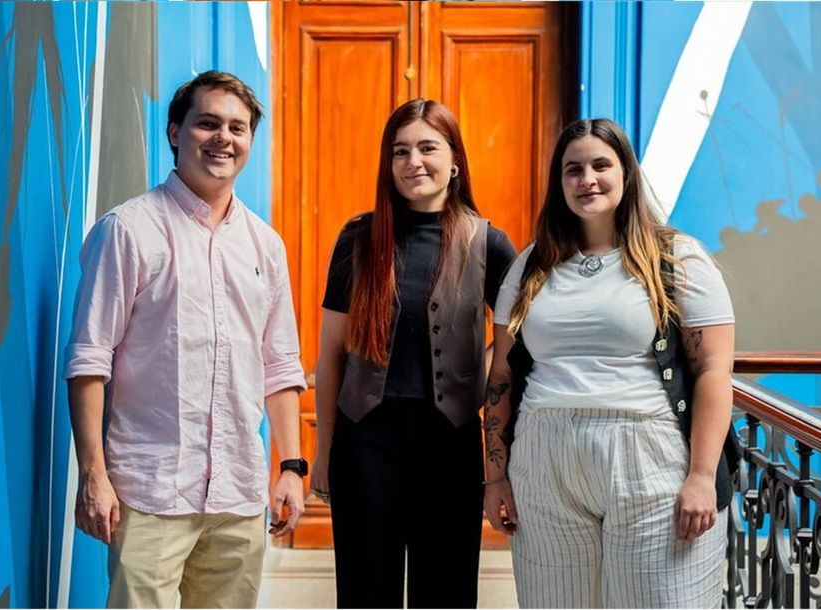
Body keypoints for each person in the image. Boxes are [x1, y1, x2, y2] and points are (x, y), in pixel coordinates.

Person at [64, 71, 308, 609]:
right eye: (208, 123)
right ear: (176, 132)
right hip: (149, 491)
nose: (224, 138)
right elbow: (88, 360)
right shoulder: (128, 230)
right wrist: (93, 474)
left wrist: (291, 467)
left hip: (237, 495)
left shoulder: (266, 246)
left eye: (238, 128)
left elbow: (280, 365)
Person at [482, 118, 736, 608]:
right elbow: (502, 377)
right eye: (573, 169)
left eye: (601, 165)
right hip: (542, 455)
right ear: (559, 182)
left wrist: (702, 476)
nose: (587, 179)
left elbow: (712, 370)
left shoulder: (677, 259)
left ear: (626, 173)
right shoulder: (531, 265)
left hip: (649, 454)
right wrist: (495, 477)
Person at [309, 99, 517, 608]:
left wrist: (477, 372)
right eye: (400, 151)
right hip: (365, 446)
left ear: (455, 160)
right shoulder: (358, 240)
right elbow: (331, 354)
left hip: (450, 446)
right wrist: (324, 453)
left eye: (427, 148)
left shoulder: (488, 243)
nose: (413, 162)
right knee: (365, 596)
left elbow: (519, 342)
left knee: (446, 595)